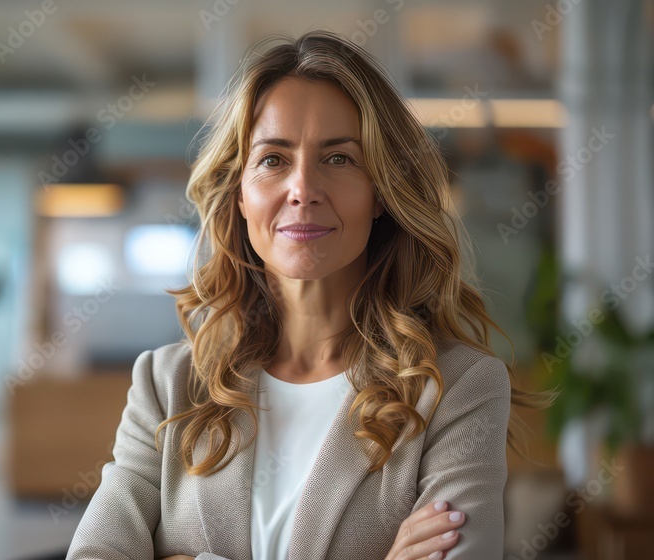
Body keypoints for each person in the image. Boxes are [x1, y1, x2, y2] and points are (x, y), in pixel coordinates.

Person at [66, 30, 554, 560]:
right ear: (240, 195)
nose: (303, 188)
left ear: (380, 194)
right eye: (273, 159)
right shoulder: (165, 386)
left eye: (339, 158)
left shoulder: (457, 389)